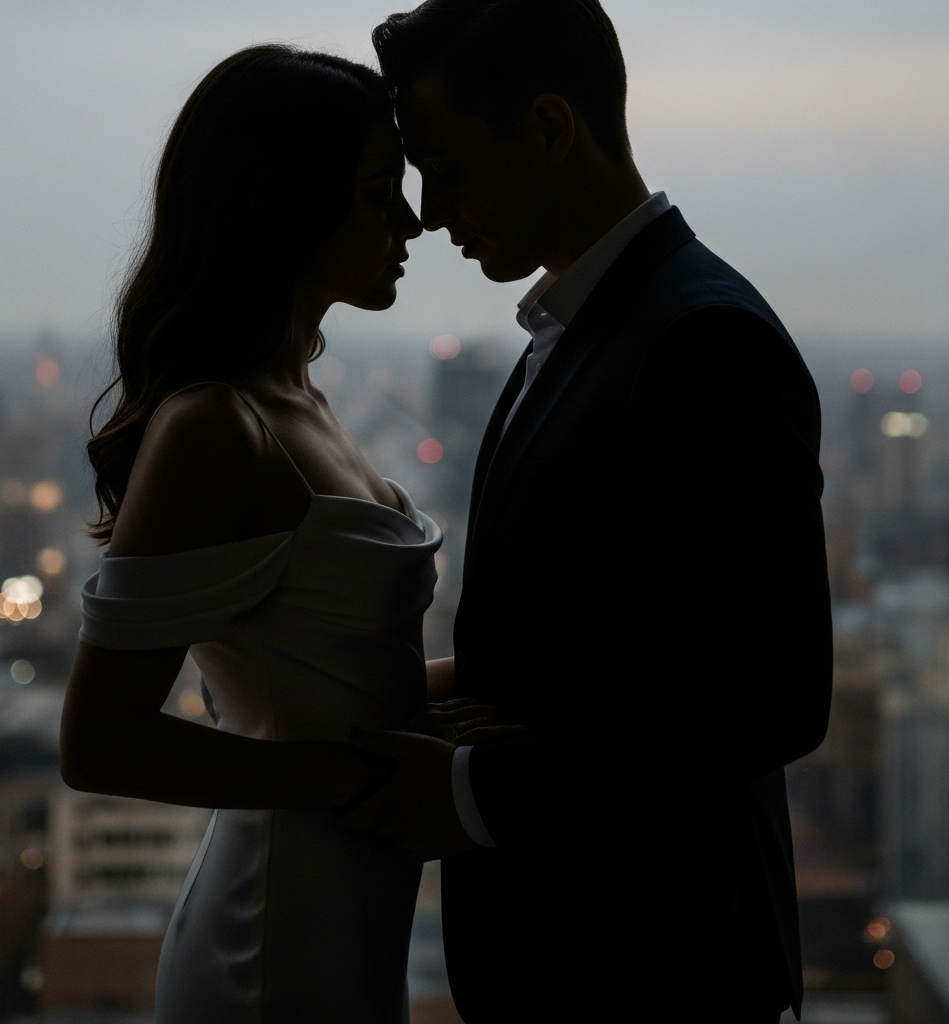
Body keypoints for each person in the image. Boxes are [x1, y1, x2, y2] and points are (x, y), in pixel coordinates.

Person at [345, 2, 834, 1021]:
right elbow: (604, 645)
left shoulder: (705, 340)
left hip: (664, 970)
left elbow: (770, 698)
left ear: (549, 130)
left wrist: (474, 792)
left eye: (443, 164)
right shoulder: (586, 325)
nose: (430, 210)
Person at [59, 44, 490, 1023]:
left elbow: (324, 683)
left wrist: (501, 691)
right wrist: (356, 775)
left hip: (340, 906)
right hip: (270, 934)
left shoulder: (301, 401)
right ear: (289, 207)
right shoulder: (220, 426)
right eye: (382, 192)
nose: (413, 220)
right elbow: (98, 743)